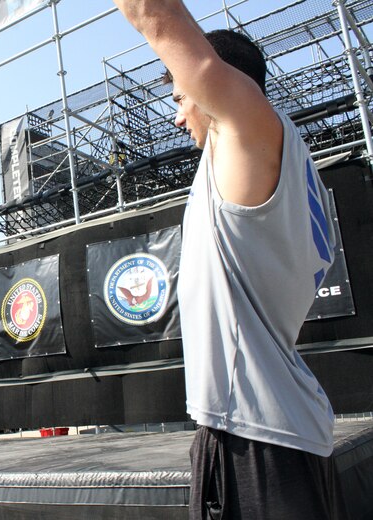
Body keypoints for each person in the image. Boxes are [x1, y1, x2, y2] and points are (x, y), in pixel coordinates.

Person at [111, 2, 342, 518]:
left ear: (219, 89)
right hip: (265, 431)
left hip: (260, 437)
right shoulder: (276, 165)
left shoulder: (247, 127)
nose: (177, 114)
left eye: (180, 95)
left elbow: (156, 15)